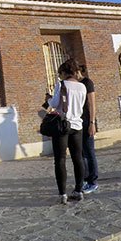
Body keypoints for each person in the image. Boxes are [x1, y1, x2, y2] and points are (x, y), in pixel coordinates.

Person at [47, 59, 87, 204]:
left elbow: (54, 104)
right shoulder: (82, 87)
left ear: (64, 72)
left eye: (60, 73)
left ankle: (62, 194)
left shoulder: (61, 84)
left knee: (60, 160)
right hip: (77, 126)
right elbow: (81, 105)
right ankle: (78, 190)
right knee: (78, 159)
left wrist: (49, 98)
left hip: (62, 126)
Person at [78, 65, 98, 194]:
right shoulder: (75, 84)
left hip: (87, 121)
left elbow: (92, 103)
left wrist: (92, 122)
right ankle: (85, 179)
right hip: (78, 122)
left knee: (89, 153)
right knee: (81, 153)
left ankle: (93, 182)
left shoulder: (87, 82)